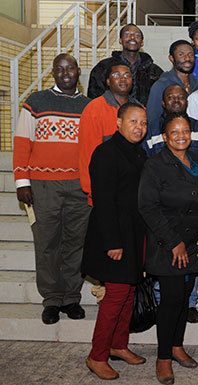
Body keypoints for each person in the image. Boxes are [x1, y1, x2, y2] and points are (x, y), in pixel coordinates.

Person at [13, 54, 91, 325]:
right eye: (60, 69)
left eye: (70, 68)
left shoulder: (88, 106)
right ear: (53, 73)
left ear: (78, 72)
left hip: (79, 186)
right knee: (47, 243)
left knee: (75, 243)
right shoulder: (36, 102)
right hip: (43, 186)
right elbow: (22, 142)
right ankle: (51, 299)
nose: (65, 73)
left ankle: (71, 297)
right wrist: (22, 181)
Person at [139, 112, 198, 384]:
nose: (181, 136)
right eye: (175, 132)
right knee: (170, 300)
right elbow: (148, 207)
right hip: (167, 245)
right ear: (165, 136)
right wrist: (175, 243)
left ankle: (177, 346)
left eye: (185, 131)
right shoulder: (155, 166)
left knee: (183, 298)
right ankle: (163, 358)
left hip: (195, 244)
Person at [82, 102, 148, 381]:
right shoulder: (106, 152)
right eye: (133, 121)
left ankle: (118, 345)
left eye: (143, 123)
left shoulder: (138, 153)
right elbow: (104, 201)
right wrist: (113, 242)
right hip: (114, 237)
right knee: (116, 296)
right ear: (118, 121)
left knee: (129, 292)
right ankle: (97, 355)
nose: (139, 128)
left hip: (134, 235)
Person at [79, 62, 141, 205]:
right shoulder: (94, 109)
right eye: (116, 75)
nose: (123, 79)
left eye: (127, 75)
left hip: (132, 190)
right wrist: (91, 189)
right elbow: (87, 153)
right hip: (104, 191)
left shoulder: (139, 108)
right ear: (108, 81)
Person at [144, 40, 198, 154]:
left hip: (193, 143)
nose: (187, 58)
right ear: (171, 58)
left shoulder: (195, 83)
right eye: (181, 55)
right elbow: (152, 121)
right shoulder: (161, 85)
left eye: (190, 54)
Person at [88, 24, 163, 105]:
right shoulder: (104, 67)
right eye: (127, 34)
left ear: (142, 43)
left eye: (137, 35)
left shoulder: (154, 71)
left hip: (144, 116)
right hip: (111, 115)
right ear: (120, 40)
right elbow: (94, 97)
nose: (132, 37)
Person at [144, 84, 198, 157]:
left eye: (181, 97)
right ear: (163, 103)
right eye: (171, 97)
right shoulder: (150, 129)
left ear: (187, 103)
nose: (176, 100)